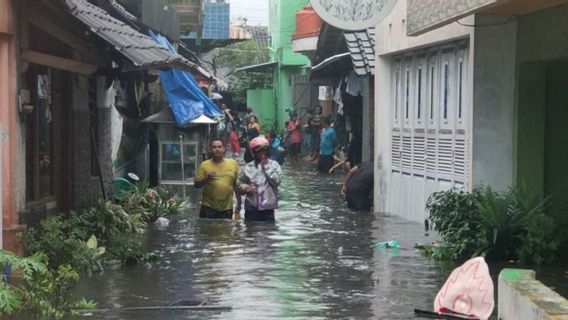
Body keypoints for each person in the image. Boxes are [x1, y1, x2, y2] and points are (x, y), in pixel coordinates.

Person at [238, 136, 282, 222]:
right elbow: (239, 182)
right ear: (253, 153)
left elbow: (277, 182)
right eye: (259, 151)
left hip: (268, 208)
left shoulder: (274, 165)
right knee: (250, 231)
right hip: (251, 208)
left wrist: (266, 167)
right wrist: (245, 188)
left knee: (268, 232)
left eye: (264, 151)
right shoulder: (247, 167)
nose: (262, 154)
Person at [195, 139, 241, 219]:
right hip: (208, 207)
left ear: (224, 149)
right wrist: (205, 178)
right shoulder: (204, 165)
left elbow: (236, 185)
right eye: (214, 147)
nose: (217, 149)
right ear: (210, 150)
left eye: (219, 147)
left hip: (227, 208)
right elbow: (196, 185)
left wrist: (239, 204)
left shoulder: (233, 164)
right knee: (207, 230)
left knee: (226, 230)